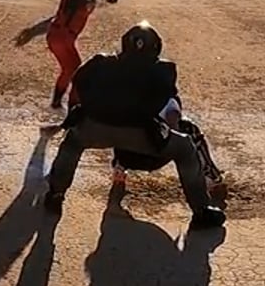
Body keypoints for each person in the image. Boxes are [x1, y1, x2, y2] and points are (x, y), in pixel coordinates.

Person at [43, 22, 225, 230]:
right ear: (156, 48)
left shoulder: (100, 63)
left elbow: (79, 82)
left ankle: (56, 194)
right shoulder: (163, 69)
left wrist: (87, 109)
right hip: (140, 132)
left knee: (73, 141)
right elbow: (168, 105)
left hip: (96, 126)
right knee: (185, 148)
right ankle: (201, 211)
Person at [13, 0, 116, 111]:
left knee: (70, 69)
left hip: (59, 36)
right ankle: (74, 106)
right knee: (77, 71)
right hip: (62, 37)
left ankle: (57, 103)